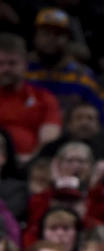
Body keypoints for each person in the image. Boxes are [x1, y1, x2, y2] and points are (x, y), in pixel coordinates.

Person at [0, 32, 61, 161]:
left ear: (25, 65)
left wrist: (28, 162)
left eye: (12, 63)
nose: (5, 69)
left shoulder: (44, 98)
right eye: (1, 64)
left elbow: (49, 142)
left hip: (29, 167)